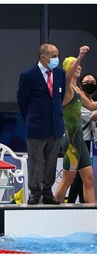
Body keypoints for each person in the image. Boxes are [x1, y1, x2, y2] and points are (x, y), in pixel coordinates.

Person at [17, 43, 66, 205]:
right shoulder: (29, 75)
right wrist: (33, 118)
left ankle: (47, 192)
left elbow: (60, 97)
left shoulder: (60, 74)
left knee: (51, 161)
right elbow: (22, 101)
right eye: (54, 56)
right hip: (36, 127)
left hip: (55, 126)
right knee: (36, 160)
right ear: (43, 57)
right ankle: (34, 192)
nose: (57, 59)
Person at [54, 46, 96, 204]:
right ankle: (51, 210)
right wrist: (80, 56)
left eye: (79, 64)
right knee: (67, 180)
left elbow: (92, 107)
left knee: (89, 179)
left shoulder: (78, 90)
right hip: (72, 143)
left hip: (80, 141)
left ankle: (92, 214)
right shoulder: (66, 89)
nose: (79, 66)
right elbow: (66, 77)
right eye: (74, 64)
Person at [67, 73, 97, 203]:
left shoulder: (91, 102)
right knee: (72, 177)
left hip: (86, 141)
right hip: (75, 142)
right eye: (86, 82)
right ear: (80, 85)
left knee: (82, 177)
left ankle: (81, 204)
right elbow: (94, 116)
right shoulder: (78, 100)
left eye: (92, 82)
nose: (90, 84)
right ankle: (69, 204)